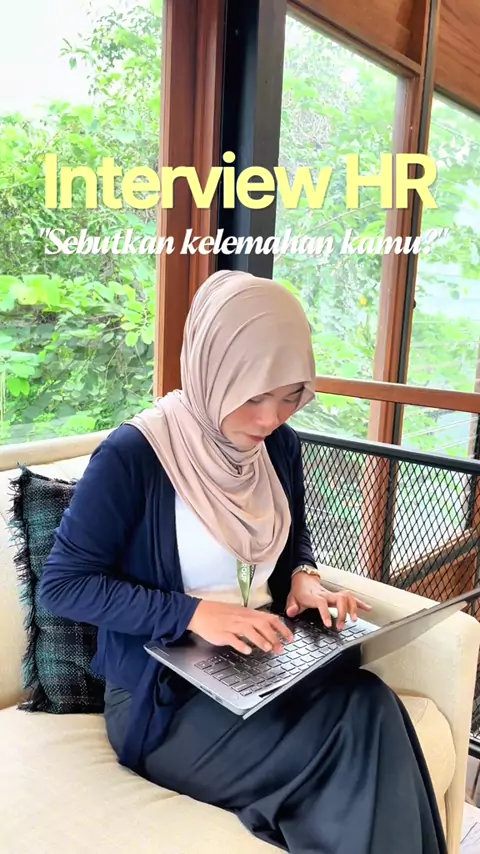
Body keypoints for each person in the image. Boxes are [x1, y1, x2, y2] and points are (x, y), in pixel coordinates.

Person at [39, 270, 447, 854]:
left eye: (288, 397)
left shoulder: (278, 446)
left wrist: (305, 579)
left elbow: (291, 538)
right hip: (165, 701)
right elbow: (64, 585)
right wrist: (193, 614)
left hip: (261, 668)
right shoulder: (136, 455)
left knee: (372, 704)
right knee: (353, 739)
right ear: (212, 370)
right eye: (253, 396)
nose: (269, 418)